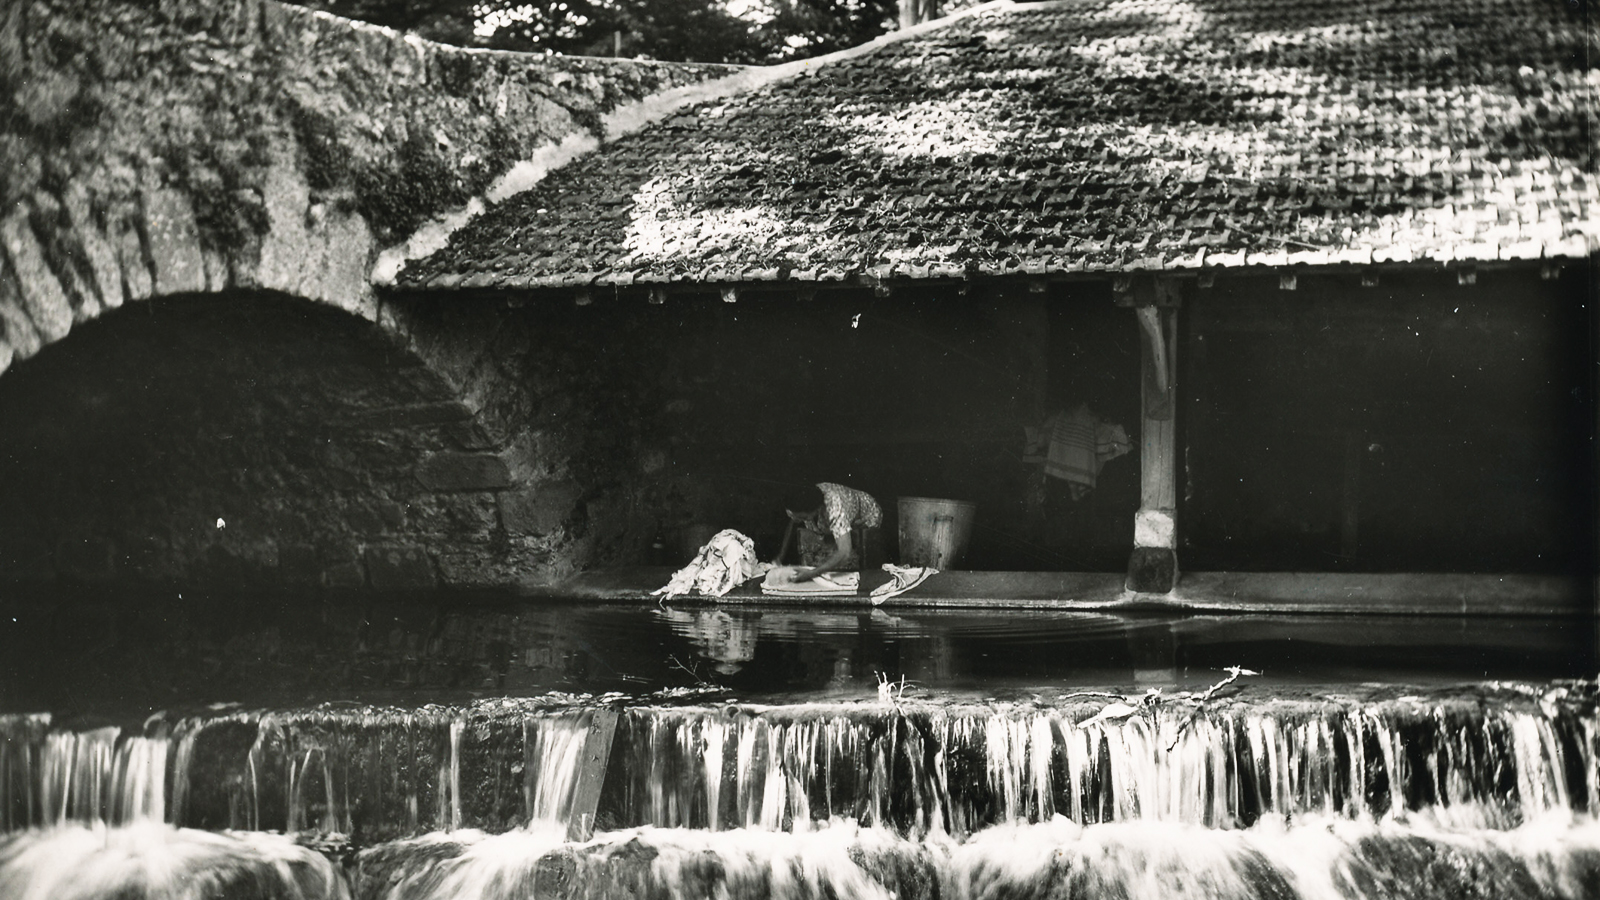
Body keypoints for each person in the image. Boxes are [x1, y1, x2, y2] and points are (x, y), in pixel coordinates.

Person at [771, 482, 883, 582]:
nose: (795, 518)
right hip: (837, 515)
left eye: (801, 517)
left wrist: (812, 573)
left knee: (858, 563)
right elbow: (793, 521)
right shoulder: (803, 498)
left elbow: (845, 552)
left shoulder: (835, 506)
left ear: (814, 511)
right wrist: (781, 556)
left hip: (866, 518)